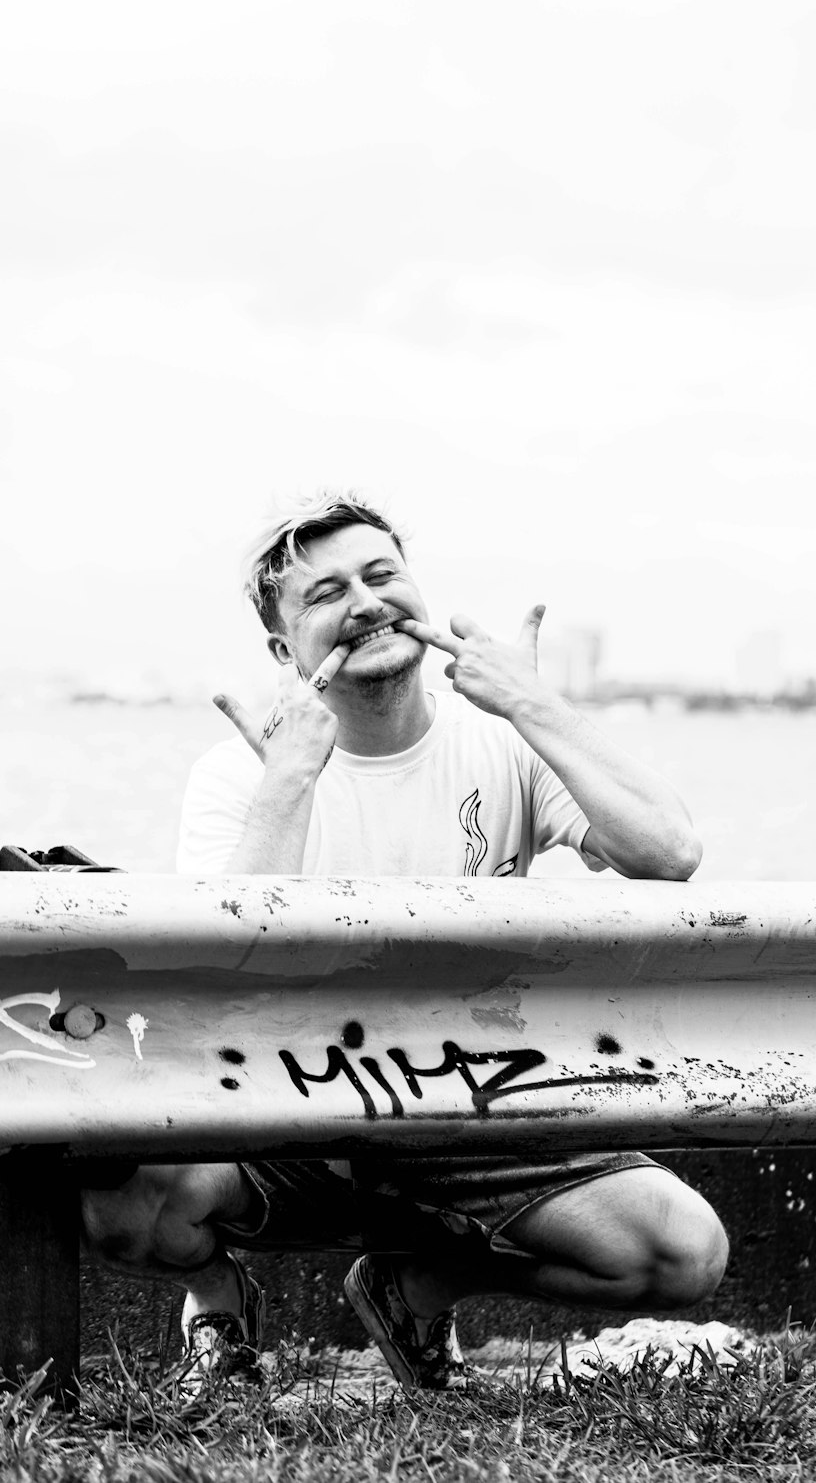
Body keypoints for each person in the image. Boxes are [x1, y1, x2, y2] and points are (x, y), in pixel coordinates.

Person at [81, 494, 728, 1390]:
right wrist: (292, 778)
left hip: (478, 1104)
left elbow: (669, 853)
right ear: (284, 651)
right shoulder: (239, 773)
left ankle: (412, 1288)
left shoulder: (503, 745)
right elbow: (219, 971)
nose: (365, 602)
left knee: (682, 1253)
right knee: (127, 1205)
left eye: (383, 576)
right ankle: (217, 1305)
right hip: (291, 1112)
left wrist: (534, 705)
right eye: (326, 594)